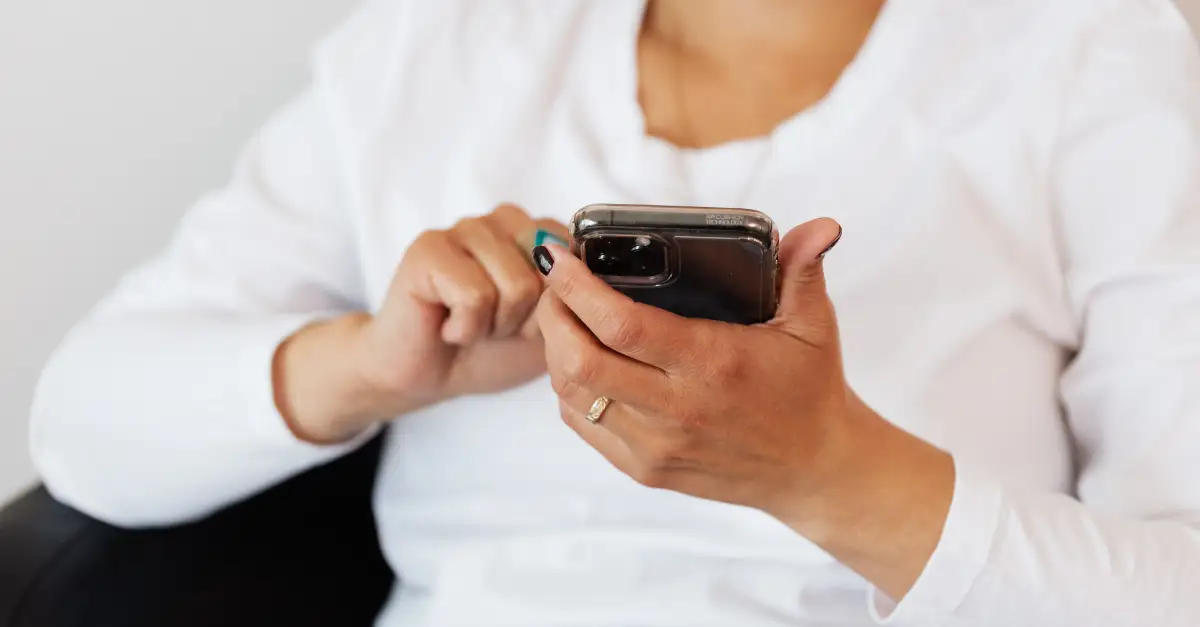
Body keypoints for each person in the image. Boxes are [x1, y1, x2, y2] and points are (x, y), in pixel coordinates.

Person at [28, 0, 1200, 624]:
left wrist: (829, 473)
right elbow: (82, 433)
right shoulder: (435, 46)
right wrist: (376, 367)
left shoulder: (1091, 54)